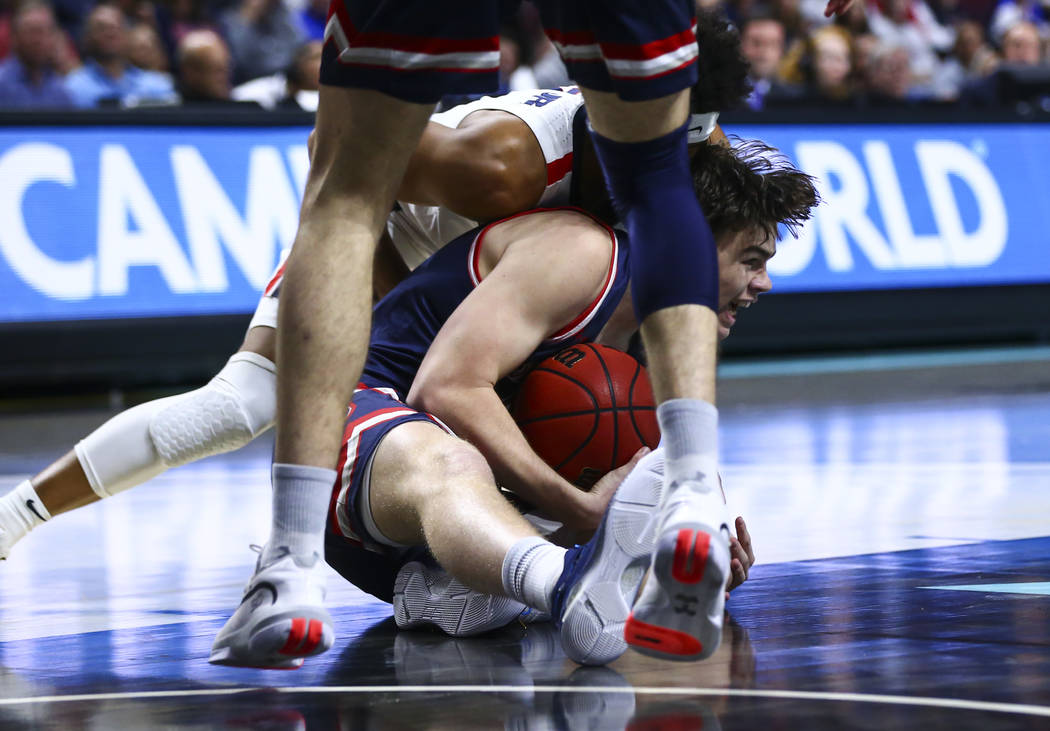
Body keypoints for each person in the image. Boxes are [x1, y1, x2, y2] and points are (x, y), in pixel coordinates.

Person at [239, 0, 852, 671]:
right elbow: (442, 386)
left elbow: (632, 469)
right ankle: (558, 584)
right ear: (694, 242)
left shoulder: (659, 328)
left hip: (428, 525)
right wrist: (580, 513)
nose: (762, 285)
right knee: (451, 450)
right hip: (370, 417)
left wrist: (692, 537)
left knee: (600, 467)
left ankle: (475, 581)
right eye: (753, 260)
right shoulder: (575, 242)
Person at [63, 2, 175, 107]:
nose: (110, 33)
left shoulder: (157, 86)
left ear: (128, 35)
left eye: (116, 27)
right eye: (102, 28)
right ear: (87, 37)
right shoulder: (71, 89)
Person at [0, 0, 73, 109]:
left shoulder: (60, 90)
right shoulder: (2, 84)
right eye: (32, 32)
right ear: (14, 37)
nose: (39, 40)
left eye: (46, 32)